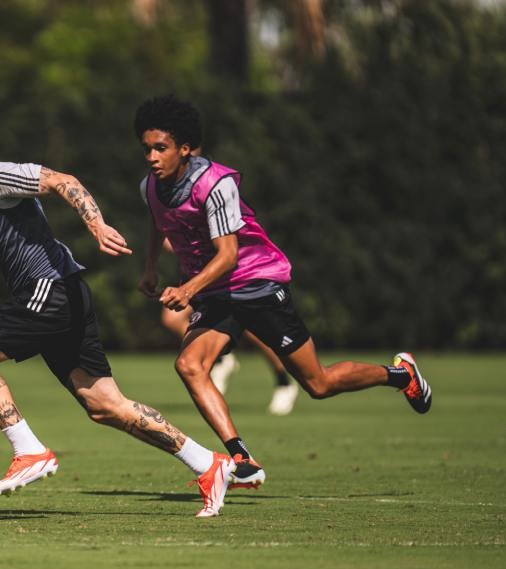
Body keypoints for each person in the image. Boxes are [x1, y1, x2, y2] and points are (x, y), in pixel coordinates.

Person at [0, 112, 236, 518]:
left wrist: (96, 224)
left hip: (52, 288)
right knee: (105, 405)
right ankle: (208, 463)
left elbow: (63, 181)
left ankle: (28, 450)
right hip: (61, 293)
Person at [134, 95, 432, 490]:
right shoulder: (150, 187)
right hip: (216, 293)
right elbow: (159, 222)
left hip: (257, 282)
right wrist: (152, 267)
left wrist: (187, 288)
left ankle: (399, 374)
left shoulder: (216, 184)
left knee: (318, 385)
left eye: (161, 148)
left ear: (185, 148)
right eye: (147, 148)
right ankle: (242, 459)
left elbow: (228, 256)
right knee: (189, 365)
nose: (152, 157)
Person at [157, 240, 300, 415]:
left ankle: (283, 381)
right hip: (201, 274)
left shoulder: (220, 214)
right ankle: (222, 360)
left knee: (253, 331)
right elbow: (167, 241)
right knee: (172, 318)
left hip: (234, 275)